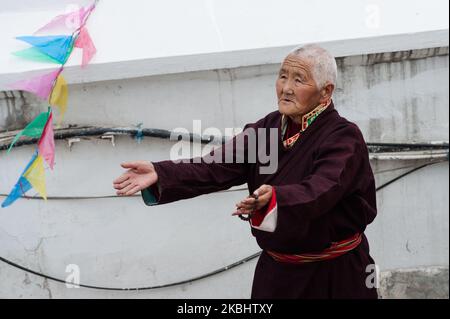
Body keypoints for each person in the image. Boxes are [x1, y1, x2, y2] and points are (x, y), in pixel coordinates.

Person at [113, 44, 378, 299]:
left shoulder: (343, 137)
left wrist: (276, 199)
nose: (286, 88)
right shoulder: (267, 130)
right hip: (277, 275)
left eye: (299, 80)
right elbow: (215, 165)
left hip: (335, 275)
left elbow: (323, 188)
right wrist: (162, 172)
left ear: (325, 92)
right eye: (283, 76)